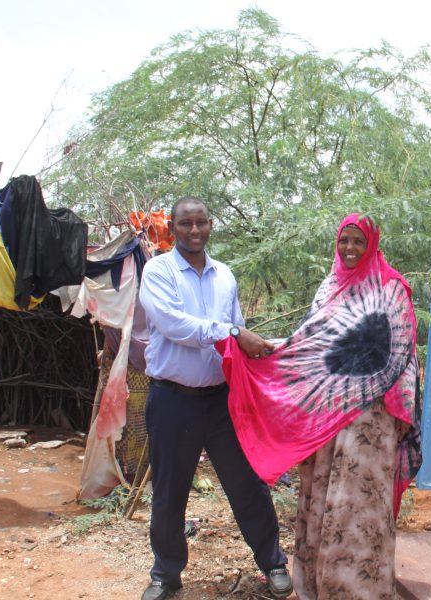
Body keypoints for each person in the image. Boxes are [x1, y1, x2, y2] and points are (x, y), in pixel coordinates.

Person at [216, 213, 422, 600]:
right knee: (324, 497)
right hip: (327, 416)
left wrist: (363, 391)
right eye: (344, 240)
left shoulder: (390, 288)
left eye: (358, 242)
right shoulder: (329, 287)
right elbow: (311, 345)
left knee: (357, 505)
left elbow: (399, 355)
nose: (349, 248)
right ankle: (318, 584)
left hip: (368, 424)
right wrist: (271, 353)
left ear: (372, 244)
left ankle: (359, 589)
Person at [137, 197, 292, 600]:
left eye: (200, 223)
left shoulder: (225, 276)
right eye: (185, 224)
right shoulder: (158, 271)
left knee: (247, 486)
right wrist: (231, 334)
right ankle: (166, 576)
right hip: (173, 400)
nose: (193, 231)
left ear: (210, 226)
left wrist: (266, 348)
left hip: (223, 402)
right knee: (170, 491)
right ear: (172, 228)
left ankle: (273, 564)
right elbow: (174, 324)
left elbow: (236, 331)